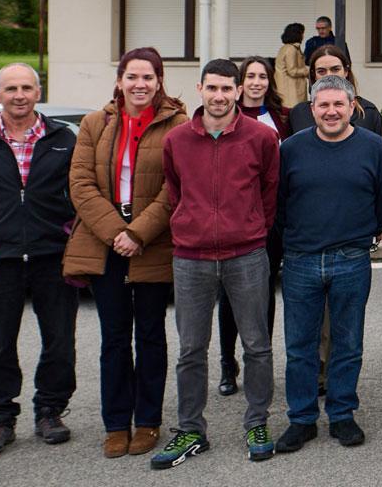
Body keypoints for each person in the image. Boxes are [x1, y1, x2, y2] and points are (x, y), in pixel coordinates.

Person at [156, 59, 282, 468]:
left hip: (246, 253)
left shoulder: (261, 137)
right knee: (191, 349)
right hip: (190, 257)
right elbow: (175, 192)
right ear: (200, 89)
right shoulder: (176, 140)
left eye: (228, 89)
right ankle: (191, 429)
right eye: (212, 88)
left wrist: (248, 228)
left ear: (239, 91)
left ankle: (257, 423)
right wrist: (191, 226)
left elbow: (269, 192)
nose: (220, 96)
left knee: (256, 345)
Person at [64, 47, 187, 460]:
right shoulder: (95, 124)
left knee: (151, 335)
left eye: (148, 78)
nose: (140, 85)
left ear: (159, 81)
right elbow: (80, 184)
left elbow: (177, 187)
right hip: (106, 242)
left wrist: (138, 233)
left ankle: (148, 420)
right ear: (120, 80)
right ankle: (117, 423)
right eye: (132, 77)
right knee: (114, 338)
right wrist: (118, 232)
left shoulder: (177, 124)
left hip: (152, 240)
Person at [273, 75, 382, 453]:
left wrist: (364, 236)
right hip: (300, 259)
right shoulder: (291, 149)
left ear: (351, 106)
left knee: (347, 343)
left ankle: (342, 414)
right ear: (312, 109)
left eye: (338, 105)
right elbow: (278, 203)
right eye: (323, 105)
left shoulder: (374, 148)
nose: (331, 111)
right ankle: (302, 419)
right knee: (299, 346)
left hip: (351, 259)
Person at [0, 63, 77, 460]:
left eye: (27, 87)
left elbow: (80, 191)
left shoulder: (63, 137)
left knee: (60, 340)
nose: (19, 95)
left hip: (53, 255)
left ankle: (50, 410)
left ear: (38, 92)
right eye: (11, 88)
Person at [217, 56, 290, 398]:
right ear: (240, 82)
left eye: (263, 76)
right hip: (232, 221)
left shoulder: (283, 118)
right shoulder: (226, 117)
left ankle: (259, 360)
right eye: (251, 76)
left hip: (270, 220)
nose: (258, 82)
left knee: (264, 295)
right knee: (229, 295)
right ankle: (227, 363)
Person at [285, 45, 382, 134]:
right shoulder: (299, 114)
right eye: (321, 71)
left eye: (335, 69)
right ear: (314, 75)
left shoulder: (368, 112)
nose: (329, 75)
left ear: (346, 72)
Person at [276, 23, 310, 110]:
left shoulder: (284, 48)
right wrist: (308, 70)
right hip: (292, 93)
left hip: (286, 91)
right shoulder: (291, 49)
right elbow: (292, 71)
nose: (303, 36)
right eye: (302, 33)